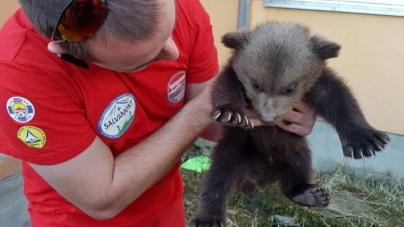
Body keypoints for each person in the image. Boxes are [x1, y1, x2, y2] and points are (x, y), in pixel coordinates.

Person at [0, 0, 317, 226]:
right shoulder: (20, 73)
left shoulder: (184, 7)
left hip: (165, 202)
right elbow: (101, 198)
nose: (174, 53)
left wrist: (276, 122)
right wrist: (200, 110)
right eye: (144, 61)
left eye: (169, 33)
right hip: (79, 219)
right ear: (66, 51)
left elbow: (212, 127)